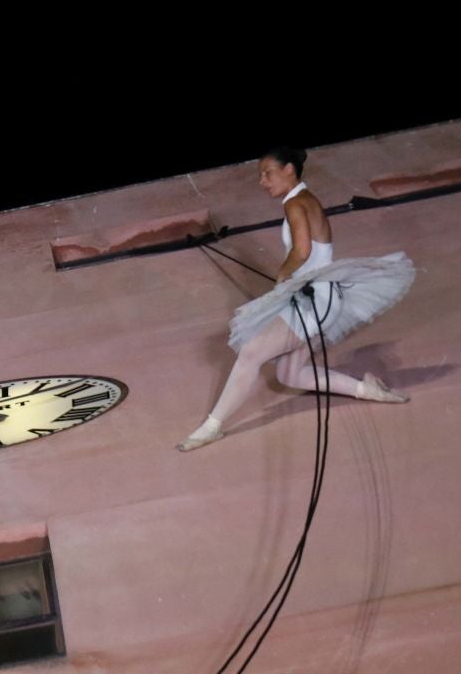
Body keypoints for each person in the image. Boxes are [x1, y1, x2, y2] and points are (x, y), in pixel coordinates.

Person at [177, 148, 414, 452]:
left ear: (289, 169)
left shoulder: (296, 203)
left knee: (250, 353)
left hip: (317, 300)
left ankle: (211, 427)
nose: (263, 181)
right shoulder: (303, 199)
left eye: (268, 173)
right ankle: (366, 389)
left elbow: (301, 251)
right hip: (314, 296)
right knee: (289, 373)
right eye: (261, 175)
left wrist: (283, 275)